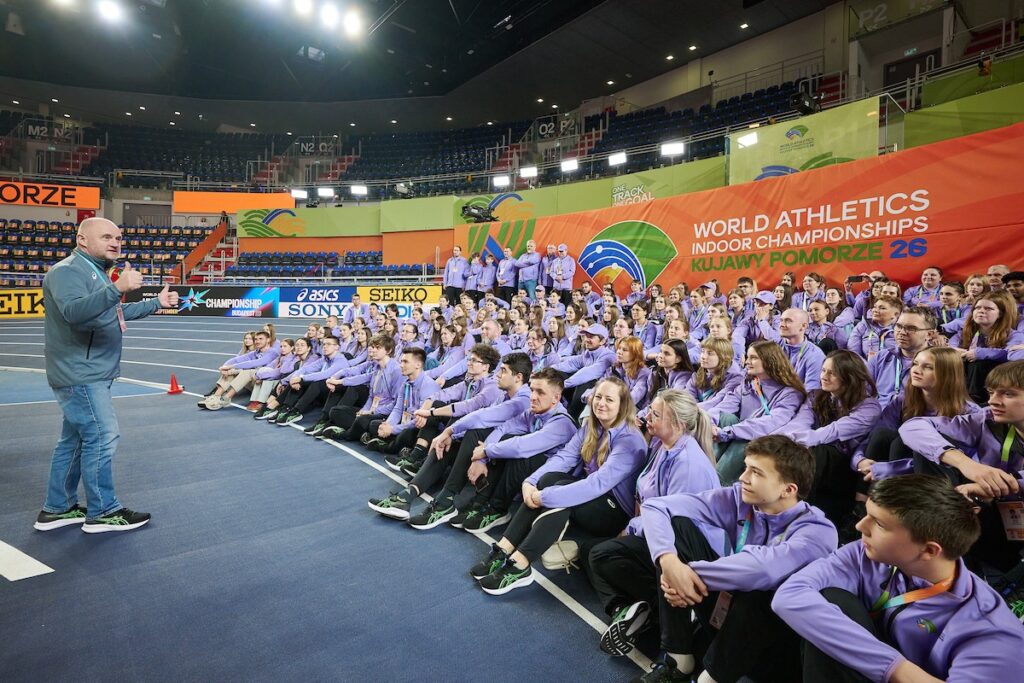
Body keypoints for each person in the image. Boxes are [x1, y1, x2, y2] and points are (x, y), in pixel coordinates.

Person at [772, 475, 1024, 682]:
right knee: (827, 601)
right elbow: (788, 596)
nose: (860, 526)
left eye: (879, 524)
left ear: (929, 550)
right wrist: (897, 669)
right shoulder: (867, 552)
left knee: (830, 608)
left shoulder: (992, 634)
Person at [628, 436, 838, 682]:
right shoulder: (740, 498)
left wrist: (684, 575)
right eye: (746, 467)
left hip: (777, 646)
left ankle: (711, 678)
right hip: (731, 613)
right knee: (679, 527)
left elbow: (762, 570)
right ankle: (678, 658)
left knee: (767, 592)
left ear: (788, 489)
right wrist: (668, 561)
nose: (742, 477)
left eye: (756, 472)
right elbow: (656, 507)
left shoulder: (818, 532)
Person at [35, 216, 179, 534]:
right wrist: (116, 288)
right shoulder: (68, 271)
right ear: (82, 240)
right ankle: (103, 512)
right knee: (102, 436)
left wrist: (156, 302)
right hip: (81, 373)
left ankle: (57, 508)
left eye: (118, 237)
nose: (115, 242)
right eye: (106, 236)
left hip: (86, 371)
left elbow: (113, 312)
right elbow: (75, 313)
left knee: (73, 442)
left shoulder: (94, 272)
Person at [471, 377, 647, 595]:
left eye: (609, 400)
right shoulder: (592, 426)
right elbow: (564, 457)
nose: (601, 403)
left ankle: (521, 564)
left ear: (622, 406)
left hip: (613, 510)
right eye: (598, 397)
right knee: (549, 479)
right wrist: (531, 482)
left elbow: (597, 484)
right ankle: (505, 547)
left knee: (559, 494)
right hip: (592, 492)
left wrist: (544, 497)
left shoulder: (630, 441)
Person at [588, 390, 721, 656]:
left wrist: (632, 528)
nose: (647, 416)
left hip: (686, 552)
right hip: (655, 534)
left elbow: (674, 523)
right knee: (595, 554)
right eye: (650, 410)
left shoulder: (688, 464)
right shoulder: (663, 445)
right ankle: (630, 610)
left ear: (679, 425)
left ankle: (679, 612)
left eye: (656, 414)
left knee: (601, 555)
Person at [405, 367, 578, 530]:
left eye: (540, 392)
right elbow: (503, 428)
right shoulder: (533, 412)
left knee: (518, 450)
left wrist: (486, 451)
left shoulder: (562, 422)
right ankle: (467, 501)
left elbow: (523, 447)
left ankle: (497, 509)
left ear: (556, 398)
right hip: (521, 475)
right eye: (532, 390)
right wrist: (481, 457)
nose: (533, 396)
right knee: (494, 437)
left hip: (548, 481)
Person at [367, 352, 530, 523]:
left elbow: (479, 414)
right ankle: (407, 496)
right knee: (449, 442)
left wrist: (449, 432)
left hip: (508, 461)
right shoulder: (503, 395)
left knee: (469, 430)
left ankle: (446, 501)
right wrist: (451, 434)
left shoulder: (520, 400)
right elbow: (487, 422)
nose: (498, 374)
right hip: (486, 447)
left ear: (518, 377)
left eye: (503, 371)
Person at [899, 360, 1024, 572]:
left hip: (1013, 509)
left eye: (1007, 394)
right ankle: (943, 563)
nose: (993, 401)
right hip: (1001, 512)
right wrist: (965, 464)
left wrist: (992, 485)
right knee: (930, 455)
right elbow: (912, 427)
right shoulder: (987, 420)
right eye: (991, 392)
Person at [778, 351, 881, 526]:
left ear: (849, 376)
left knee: (818, 450)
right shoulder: (816, 396)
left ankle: (795, 513)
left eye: (831, 373)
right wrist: (778, 442)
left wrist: (793, 443)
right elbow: (799, 423)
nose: (824, 377)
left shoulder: (869, 407)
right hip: (813, 458)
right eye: (823, 370)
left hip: (844, 468)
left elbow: (830, 432)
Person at [707, 341, 807, 483]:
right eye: (747, 357)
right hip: (738, 434)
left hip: (765, 443)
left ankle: (717, 483)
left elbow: (770, 423)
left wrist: (728, 432)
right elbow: (724, 406)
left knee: (744, 441)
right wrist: (710, 423)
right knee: (726, 418)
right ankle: (707, 472)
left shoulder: (790, 394)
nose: (747, 362)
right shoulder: (747, 385)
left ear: (769, 360)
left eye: (753, 358)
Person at [359, 347, 439, 455]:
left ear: (418, 365)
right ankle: (397, 445)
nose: (401, 365)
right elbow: (397, 409)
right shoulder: (405, 383)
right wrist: (388, 425)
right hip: (405, 422)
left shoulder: (428, 385)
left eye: (405, 362)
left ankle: (388, 447)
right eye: (401, 361)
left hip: (419, 427)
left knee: (405, 434)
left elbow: (418, 420)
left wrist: (393, 429)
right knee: (375, 424)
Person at [949, 291, 1023, 404]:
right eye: (977, 307)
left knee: (978, 363)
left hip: (996, 379)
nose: (981, 311)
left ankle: (974, 402)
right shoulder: (965, 333)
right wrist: (957, 351)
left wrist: (980, 353)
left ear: (1000, 314)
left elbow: (1010, 354)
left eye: (988, 309)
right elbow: (951, 345)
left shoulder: (1014, 335)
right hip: (964, 377)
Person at [868, 306, 938, 408]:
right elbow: (862, 391)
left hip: (915, 418)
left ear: (929, 334)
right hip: (878, 415)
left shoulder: (940, 362)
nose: (902, 332)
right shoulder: (881, 357)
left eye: (911, 328)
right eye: (899, 326)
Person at [202, 330, 280, 410]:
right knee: (230, 372)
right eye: (256, 339)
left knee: (246, 371)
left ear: (268, 340)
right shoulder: (256, 352)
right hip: (255, 381)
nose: (257, 341)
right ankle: (216, 396)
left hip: (266, 385)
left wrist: (231, 366)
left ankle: (225, 399)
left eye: (261, 339)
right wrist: (224, 366)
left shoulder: (273, 352)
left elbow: (255, 363)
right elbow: (237, 359)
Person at [554, 322, 617, 419]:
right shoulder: (588, 353)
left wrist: (563, 384)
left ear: (602, 341)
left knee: (584, 384)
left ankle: (571, 419)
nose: (587, 339)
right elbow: (571, 363)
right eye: (586, 336)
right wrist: (546, 370)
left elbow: (588, 373)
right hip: (587, 389)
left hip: (602, 391)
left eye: (591, 337)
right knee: (557, 374)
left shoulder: (608, 356)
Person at [778, 308, 827, 391]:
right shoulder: (774, 349)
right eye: (781, 320)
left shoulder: (815, 355)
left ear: (803, 326)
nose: (781, 325)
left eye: (788, 321)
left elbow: (811, 393)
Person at [685, 337, 741, 407]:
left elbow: (717, 402)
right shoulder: (697, 376)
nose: (703, 357)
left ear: (723, 357)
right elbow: (688, 398)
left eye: (710, 353)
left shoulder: (733, 379)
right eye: (702, 351)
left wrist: (691, 411)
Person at [848, 294, 901, 360]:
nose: (875, 310)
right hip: (864, 368)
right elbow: (854, 353)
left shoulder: (901, 331)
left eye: (882, 308)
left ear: (896, 314)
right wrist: (867, 367)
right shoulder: (862, 326)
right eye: (875, 307)